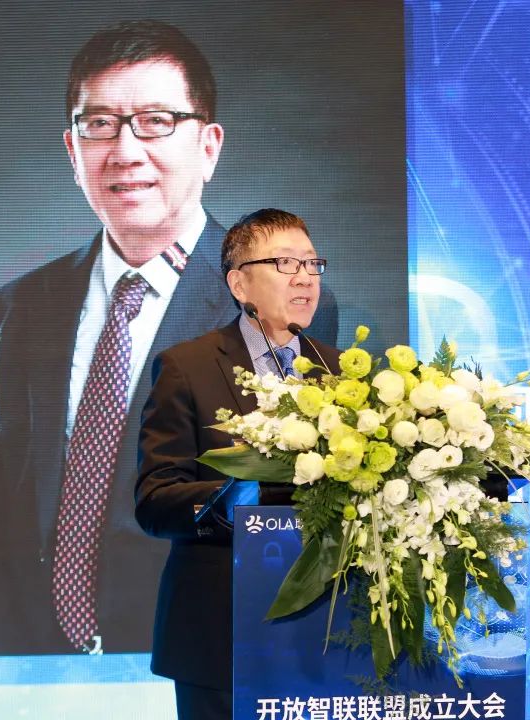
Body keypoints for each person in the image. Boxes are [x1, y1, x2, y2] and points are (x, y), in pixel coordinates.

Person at [0, 20, 337, 656]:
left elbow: (299, 504)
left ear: (208, 146)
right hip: (38, 663)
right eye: (99, 124)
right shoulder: (18, 307)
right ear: (72, 149)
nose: (125, 151)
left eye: (156, 121)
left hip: (206, 653)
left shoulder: (279, 300)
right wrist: (12, 653)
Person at [135, 209, 341, 720]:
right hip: (221, 633)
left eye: (312, 264)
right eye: (285, 263)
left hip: (328, 634)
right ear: (239, 284)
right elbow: (155, 500)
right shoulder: (187, 367)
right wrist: (234, 499)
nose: (305, 278)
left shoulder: (343, 372)